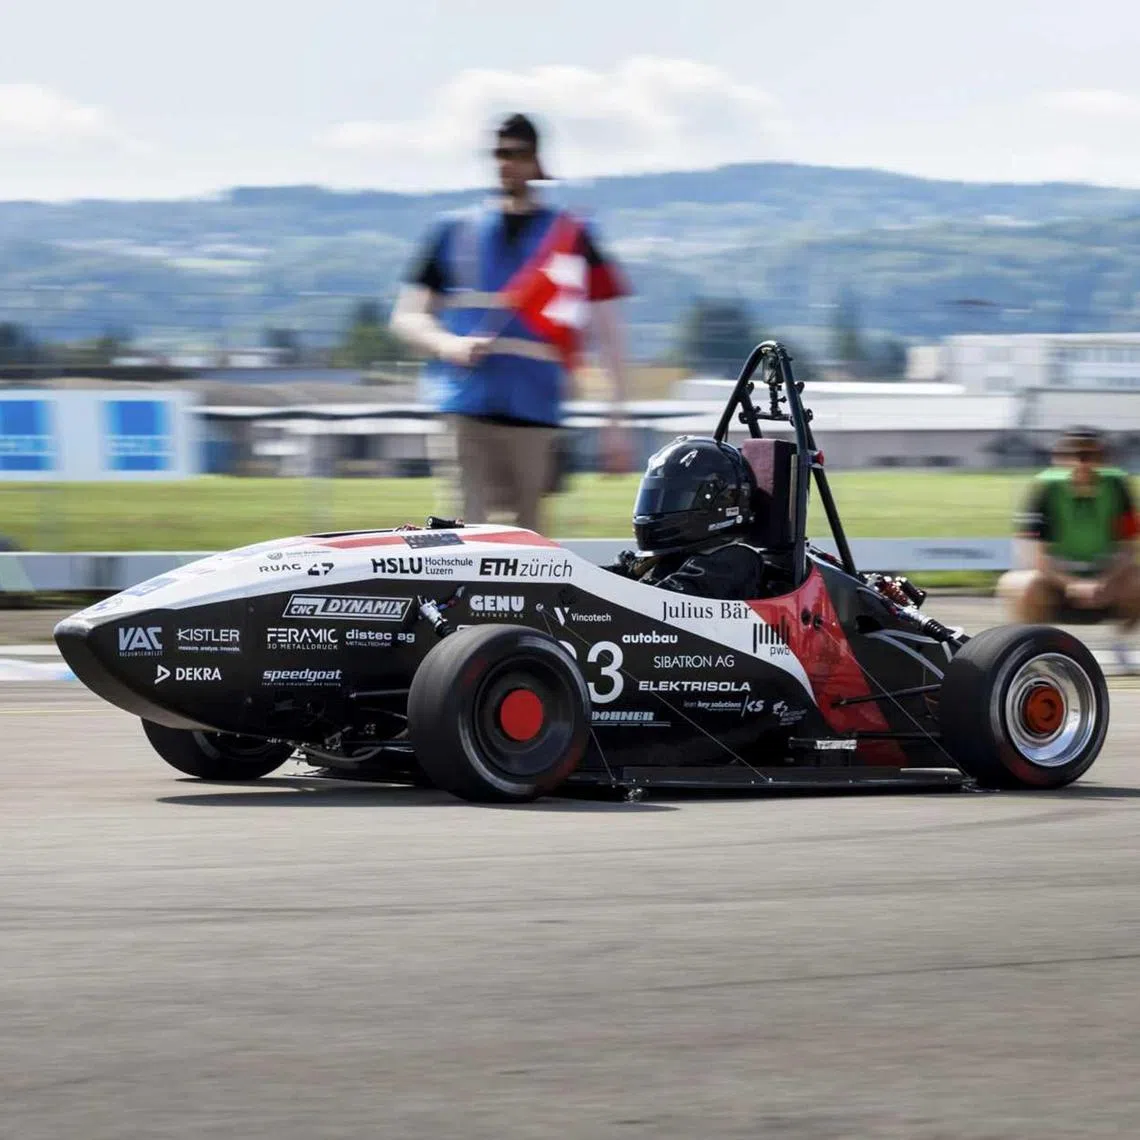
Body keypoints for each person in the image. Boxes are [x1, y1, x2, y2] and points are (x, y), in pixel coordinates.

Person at [389, 112, 631, 533]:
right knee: (465, 533)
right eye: (500, 153)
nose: (507, 163)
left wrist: (616, 421)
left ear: (537, 162)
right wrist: (448, 345)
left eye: (517, 154)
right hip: (466, 405)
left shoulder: (568, 237)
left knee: (528, 541)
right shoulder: (453, 232)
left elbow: (608, 331)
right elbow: (408, 316)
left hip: (535, 410)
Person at [998, 426, 1140, 670]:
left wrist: (1105, 580)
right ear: (1059, 458)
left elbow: (1128, 546)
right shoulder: (1045, 487)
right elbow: (1033, 552)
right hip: (1056, 581)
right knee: (1018, 585)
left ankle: (1120, 644)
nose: (1081, 463)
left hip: (1107, 580)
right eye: (1073, 455)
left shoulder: (1118, 486)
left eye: (1089, 456)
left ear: (1102, 459)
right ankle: (1034, 652)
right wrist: (1070, 583)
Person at [603, 435, 789, 599]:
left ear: (719, 503)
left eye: (676, 498)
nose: (660, 506)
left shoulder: (735, 561)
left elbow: (661, 604)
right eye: (656, 497)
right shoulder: (670, 556)